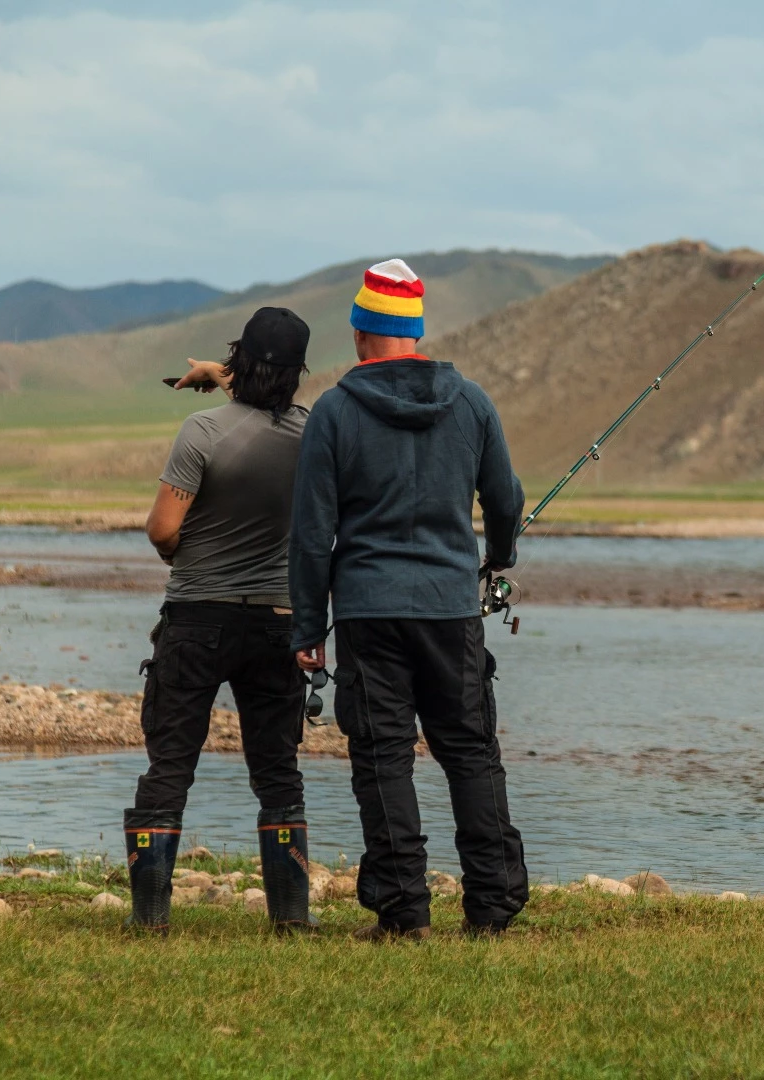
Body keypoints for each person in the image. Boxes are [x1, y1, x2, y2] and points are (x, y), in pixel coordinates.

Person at [290, 258, 527, 941]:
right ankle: (491, 907)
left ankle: (403, 913)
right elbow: (504, 499)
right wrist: (499, 556)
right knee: (470, 753)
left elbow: (311, 533)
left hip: (367, 613)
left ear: (361, 329)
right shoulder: (473, 402)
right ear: (415, 332)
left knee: (382, 756)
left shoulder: (334, 411)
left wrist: (308, 627)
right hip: (451, 611)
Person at [123, 306, 319, 935]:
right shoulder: (312, 434)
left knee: (170, 764)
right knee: (277, 770)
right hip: (277, 622)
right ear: (298, 373)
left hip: (195, 620)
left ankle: (150, 921)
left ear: (238, 360)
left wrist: (183, 554)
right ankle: (290, 921)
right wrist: (228, 374)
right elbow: (268, 410)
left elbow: (162, 529)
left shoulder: (200, 432)